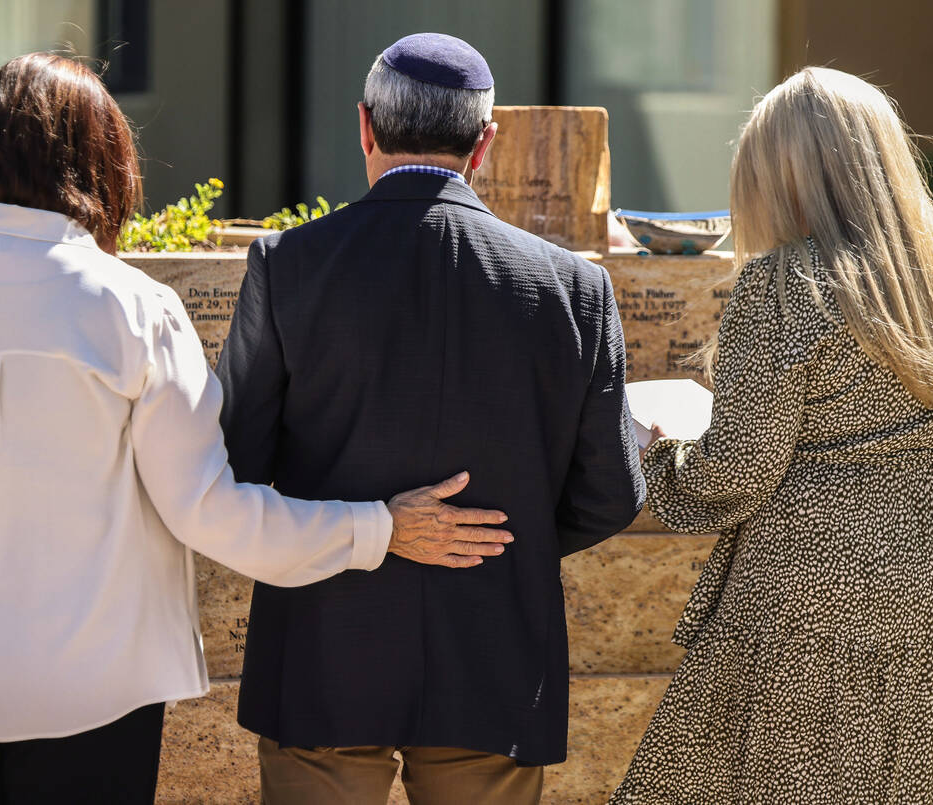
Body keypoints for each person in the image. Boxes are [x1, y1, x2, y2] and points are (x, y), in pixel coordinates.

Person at [0, 52, 513, 805]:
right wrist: (379, 528)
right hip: (90, 693)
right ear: (105, 162)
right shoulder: (135, 311)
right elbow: (209, 513)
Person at [217, 32, 645, 804]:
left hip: (323, 653)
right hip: (492, 659)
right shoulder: (576, 288)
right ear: (485, 144)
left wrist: (362, 529)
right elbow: (611, 491)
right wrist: (501, 537)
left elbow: (233, 468)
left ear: (364, 126)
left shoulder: (288, 265)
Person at [611, 67, 933, 802]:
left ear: (782, 174)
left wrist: (661, 451)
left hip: (817, 589)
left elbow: (738, 470)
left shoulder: (785, 281)